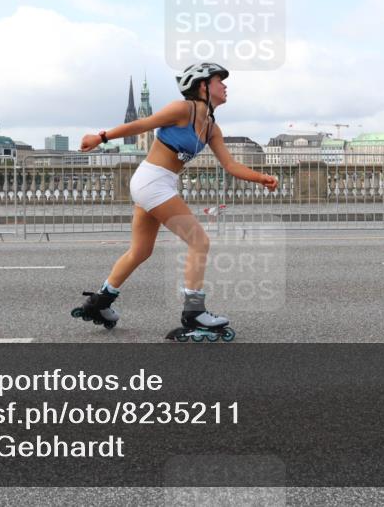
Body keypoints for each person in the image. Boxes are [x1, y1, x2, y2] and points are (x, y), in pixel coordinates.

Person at [73, 62, 278, 340]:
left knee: (140, 251)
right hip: (153, 180)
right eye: (220, 81)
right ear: (203, 86)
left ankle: (100, 303)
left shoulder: (211, 128)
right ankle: (194, 313)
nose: (225, 86)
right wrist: (101, 137)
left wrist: (260, 177)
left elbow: (229, 165)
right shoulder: (183, 109)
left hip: (159, 183)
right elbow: (141, 124)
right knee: (199, 241)